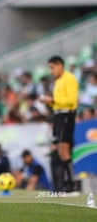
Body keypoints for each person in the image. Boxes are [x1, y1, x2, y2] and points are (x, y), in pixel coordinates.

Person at [40, 56, 79, 193]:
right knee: (60, 149)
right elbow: (58, 101)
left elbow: (71, 99)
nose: (51, 71)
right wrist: (50, 102)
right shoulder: (58, 81)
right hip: (58, 115)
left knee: (64, 148)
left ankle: (71, 183)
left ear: (60, 65)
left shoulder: (69, 78)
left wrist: (53, 99)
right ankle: (65, 183)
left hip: (66, 114)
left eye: (52, 67)